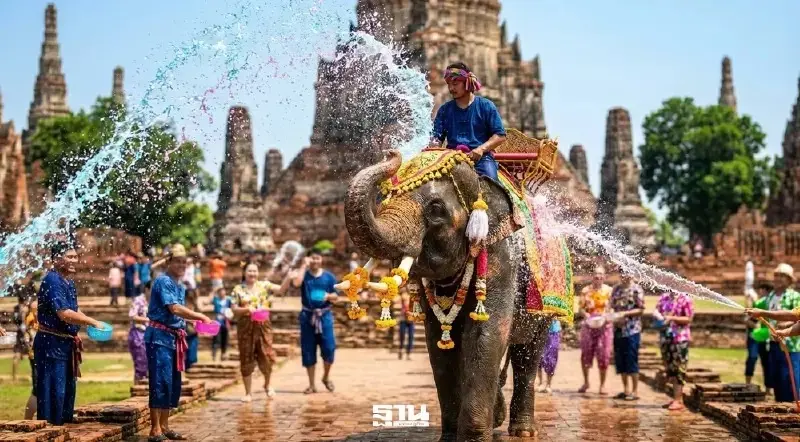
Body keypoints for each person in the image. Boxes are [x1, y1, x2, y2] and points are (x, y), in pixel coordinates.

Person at [145, 244, 212, 442]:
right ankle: (154, 429)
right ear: (169, 262)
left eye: (185, 262)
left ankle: (165, 426)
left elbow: (178, 315)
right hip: (159, 338)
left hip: (173, 338)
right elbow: (174, 309)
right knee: (159, 380)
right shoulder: (163, 281)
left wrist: (196, 322)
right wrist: (199, 315)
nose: (182, 265)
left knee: (171, 382)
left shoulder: (179, 285)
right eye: (178, 261)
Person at [34, 241, 104, 425]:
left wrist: (91, 322)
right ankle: (50, 430)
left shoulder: (69, 282)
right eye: (70, 257)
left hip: (64, 343)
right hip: (51, 345)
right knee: (53, 393)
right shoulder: (52, 280)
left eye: (75, 256)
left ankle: (63, 427)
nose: (75, 260)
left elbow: (74, 310)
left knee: (66, 391)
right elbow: (64, 314)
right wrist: (92, 321)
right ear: (57, 260)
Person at [429, 61, 507, 181]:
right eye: (449, 84)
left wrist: (481, 149)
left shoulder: (486, 106)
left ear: (467, 82)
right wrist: (433, 147)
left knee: (491, 183)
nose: (451, 88)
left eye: (455, 83)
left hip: (482, 159)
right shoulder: (445, 110)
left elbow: (500, 136)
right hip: (452, 160)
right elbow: (437, 138)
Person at [745, 263, 800, 403]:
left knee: (791, 378)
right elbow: (759, 312)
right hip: (773, 342)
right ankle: (780, 409)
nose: (778, 279)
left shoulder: (794, 296)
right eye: (776, 275)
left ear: (789, 280)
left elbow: (793, 316)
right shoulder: (769, 297)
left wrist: (786, 326)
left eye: (782, 276)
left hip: (791, 345)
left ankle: (794, 409)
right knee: (776, 378)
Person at [287, 251, 338, 394]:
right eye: (312, 258)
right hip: (307, 316)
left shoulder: (329, 277)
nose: (315, 261)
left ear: (321, 259)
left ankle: (326, 377)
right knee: (308, 350)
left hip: (325, 316)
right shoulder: (305, 276)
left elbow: (336, 296)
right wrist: (303, 265)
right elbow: (296, 283)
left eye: (317, 258)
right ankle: (311, 385)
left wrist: (328, 296)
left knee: (329, 348)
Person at [231, 263, 281, 402]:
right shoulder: (238, 289)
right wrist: (247, 310)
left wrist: (290, 276)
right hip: (246, 327)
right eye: (249, 271)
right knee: (246, 356)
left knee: (267, 354)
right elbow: (234, 308)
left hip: (263, 326)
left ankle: (268, 384)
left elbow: (282, 289)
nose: (252, 273)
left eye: (255, 271)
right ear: (244, 272)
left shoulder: (264, 286)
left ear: (258, 273)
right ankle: (248, 393)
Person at [655, 291, 695, 411]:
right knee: (670, 368)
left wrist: (671, 317)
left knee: (679, 368)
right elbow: (657, 310)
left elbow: (689, 319)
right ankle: (677, 399)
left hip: (680, 338)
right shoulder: (664, 297)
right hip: (666, 338)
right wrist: (659, 316)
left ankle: (678, 400)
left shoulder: (685, 299)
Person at [609, 272, 645, 401]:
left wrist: (624, 314)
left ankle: (635, 391)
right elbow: (611, 306)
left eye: (627, 272)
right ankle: (626, 390)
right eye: (622, 272)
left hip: (632, 330)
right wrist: (614, 315)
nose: (625, 275)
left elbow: (641, 309)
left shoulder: (636, 289)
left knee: (631, 359)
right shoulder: (616, 289)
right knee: (620, 360)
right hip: (618, 329)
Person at [578, 266, 613, 395]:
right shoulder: (585, 290)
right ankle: (586, 382)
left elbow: (613, 308)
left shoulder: (610, 291)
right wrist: (586, 315)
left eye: (601, 274)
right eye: (595, 273)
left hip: (605, 326)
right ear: (592, 276)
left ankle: (602, 385)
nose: (598, 276)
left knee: (604, 355)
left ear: (604, 276)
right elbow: (581, 308)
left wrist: (607, 316)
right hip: (588, 326)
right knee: (586, 354)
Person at [744, 282, 772, 392]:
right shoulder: (759, 303)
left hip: (766, 337)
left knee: (767, 362)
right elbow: (749, 320)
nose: (760, 292)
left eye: (762, 290)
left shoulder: (768, 303)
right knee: (752, 358)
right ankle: (748, 383)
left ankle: (768, 388)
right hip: (756, 337)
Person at [128, 283, 149, 384]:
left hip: (150, 335)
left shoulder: (155, 301)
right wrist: (149, 320)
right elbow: (133, 316)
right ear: (147, 289)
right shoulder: (138, 300)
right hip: (138, 334)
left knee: (150, 364)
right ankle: (138, 389)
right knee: (141, 363)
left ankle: (145, 391)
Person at [23, 299, 39, 419]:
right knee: (37, 390)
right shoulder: (31, 319)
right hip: (36, 356)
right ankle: (27, 420)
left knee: (39, 389)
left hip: (38, 356)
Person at [537, 318, 561, 394]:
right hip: (540, 331)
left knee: (551, 360)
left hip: (554, 333)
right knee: (539, 358)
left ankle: (548, 385)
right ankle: (540, 383)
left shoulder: (558, 306)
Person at [210, 287, 232, 361]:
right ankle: (214, 353)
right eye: (221, 292)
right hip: (217, 322)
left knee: (225, 338)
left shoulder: (228, 300)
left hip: (225, 322)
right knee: (216, 338)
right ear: (218, 293)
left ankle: (223, 353)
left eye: (223, 291)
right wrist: (213, 291)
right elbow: (207, 301)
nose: (222, 293)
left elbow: (231, 310)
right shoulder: (216, 300)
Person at [397, 286, 414, 360]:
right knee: (402, 335)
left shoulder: (413, 297)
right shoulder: (403, 295)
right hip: (403, 318)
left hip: (410, 318)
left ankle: (408, 353)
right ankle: (400, 350)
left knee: (411, 336)